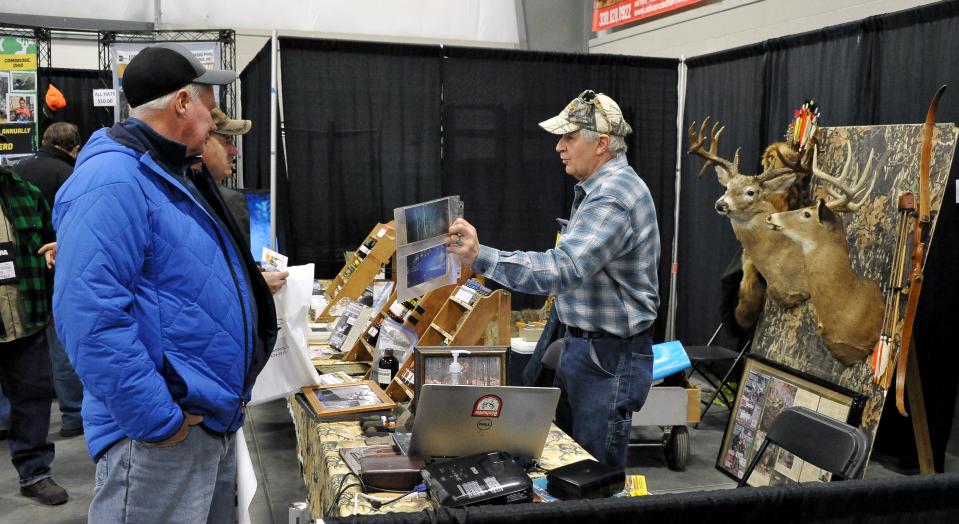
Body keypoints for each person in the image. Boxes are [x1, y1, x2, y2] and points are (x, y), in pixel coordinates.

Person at [52, 43, 278, 522]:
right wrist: (157, 419)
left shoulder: (167, 172)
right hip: (160, 436)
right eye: (208, 107)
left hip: (202, 422)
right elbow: (89, 317)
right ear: (181, 103)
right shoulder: (114, 180)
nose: (214, 122)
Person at [447, 90, 660, 468]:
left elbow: (563, 269)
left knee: (595, 477)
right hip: (590, 350)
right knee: (570, 468)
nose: (560, 147)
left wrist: (482, 256)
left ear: (603, 144)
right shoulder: (598, 189)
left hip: (608, 357)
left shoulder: (613, 197)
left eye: (570, 137)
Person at [0, 162, 68, 505]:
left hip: (26, 319)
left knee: (33, 398)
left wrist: (58, 250)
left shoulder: (26, 194)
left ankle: (35, 473)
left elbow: (50, 246)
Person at [13, 122, 85, 438]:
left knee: (16, 348)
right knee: (62, 343)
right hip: (60, 264)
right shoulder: (72, 175)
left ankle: (5, 419)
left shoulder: (18, 171)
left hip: (20, 275)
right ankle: (72, 415)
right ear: (75, 148)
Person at [203, 108, 287, 293]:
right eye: (226, 141)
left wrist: (249, 275)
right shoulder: (226, 202)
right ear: (202, 140)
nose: (234, 150)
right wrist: (255, 284)